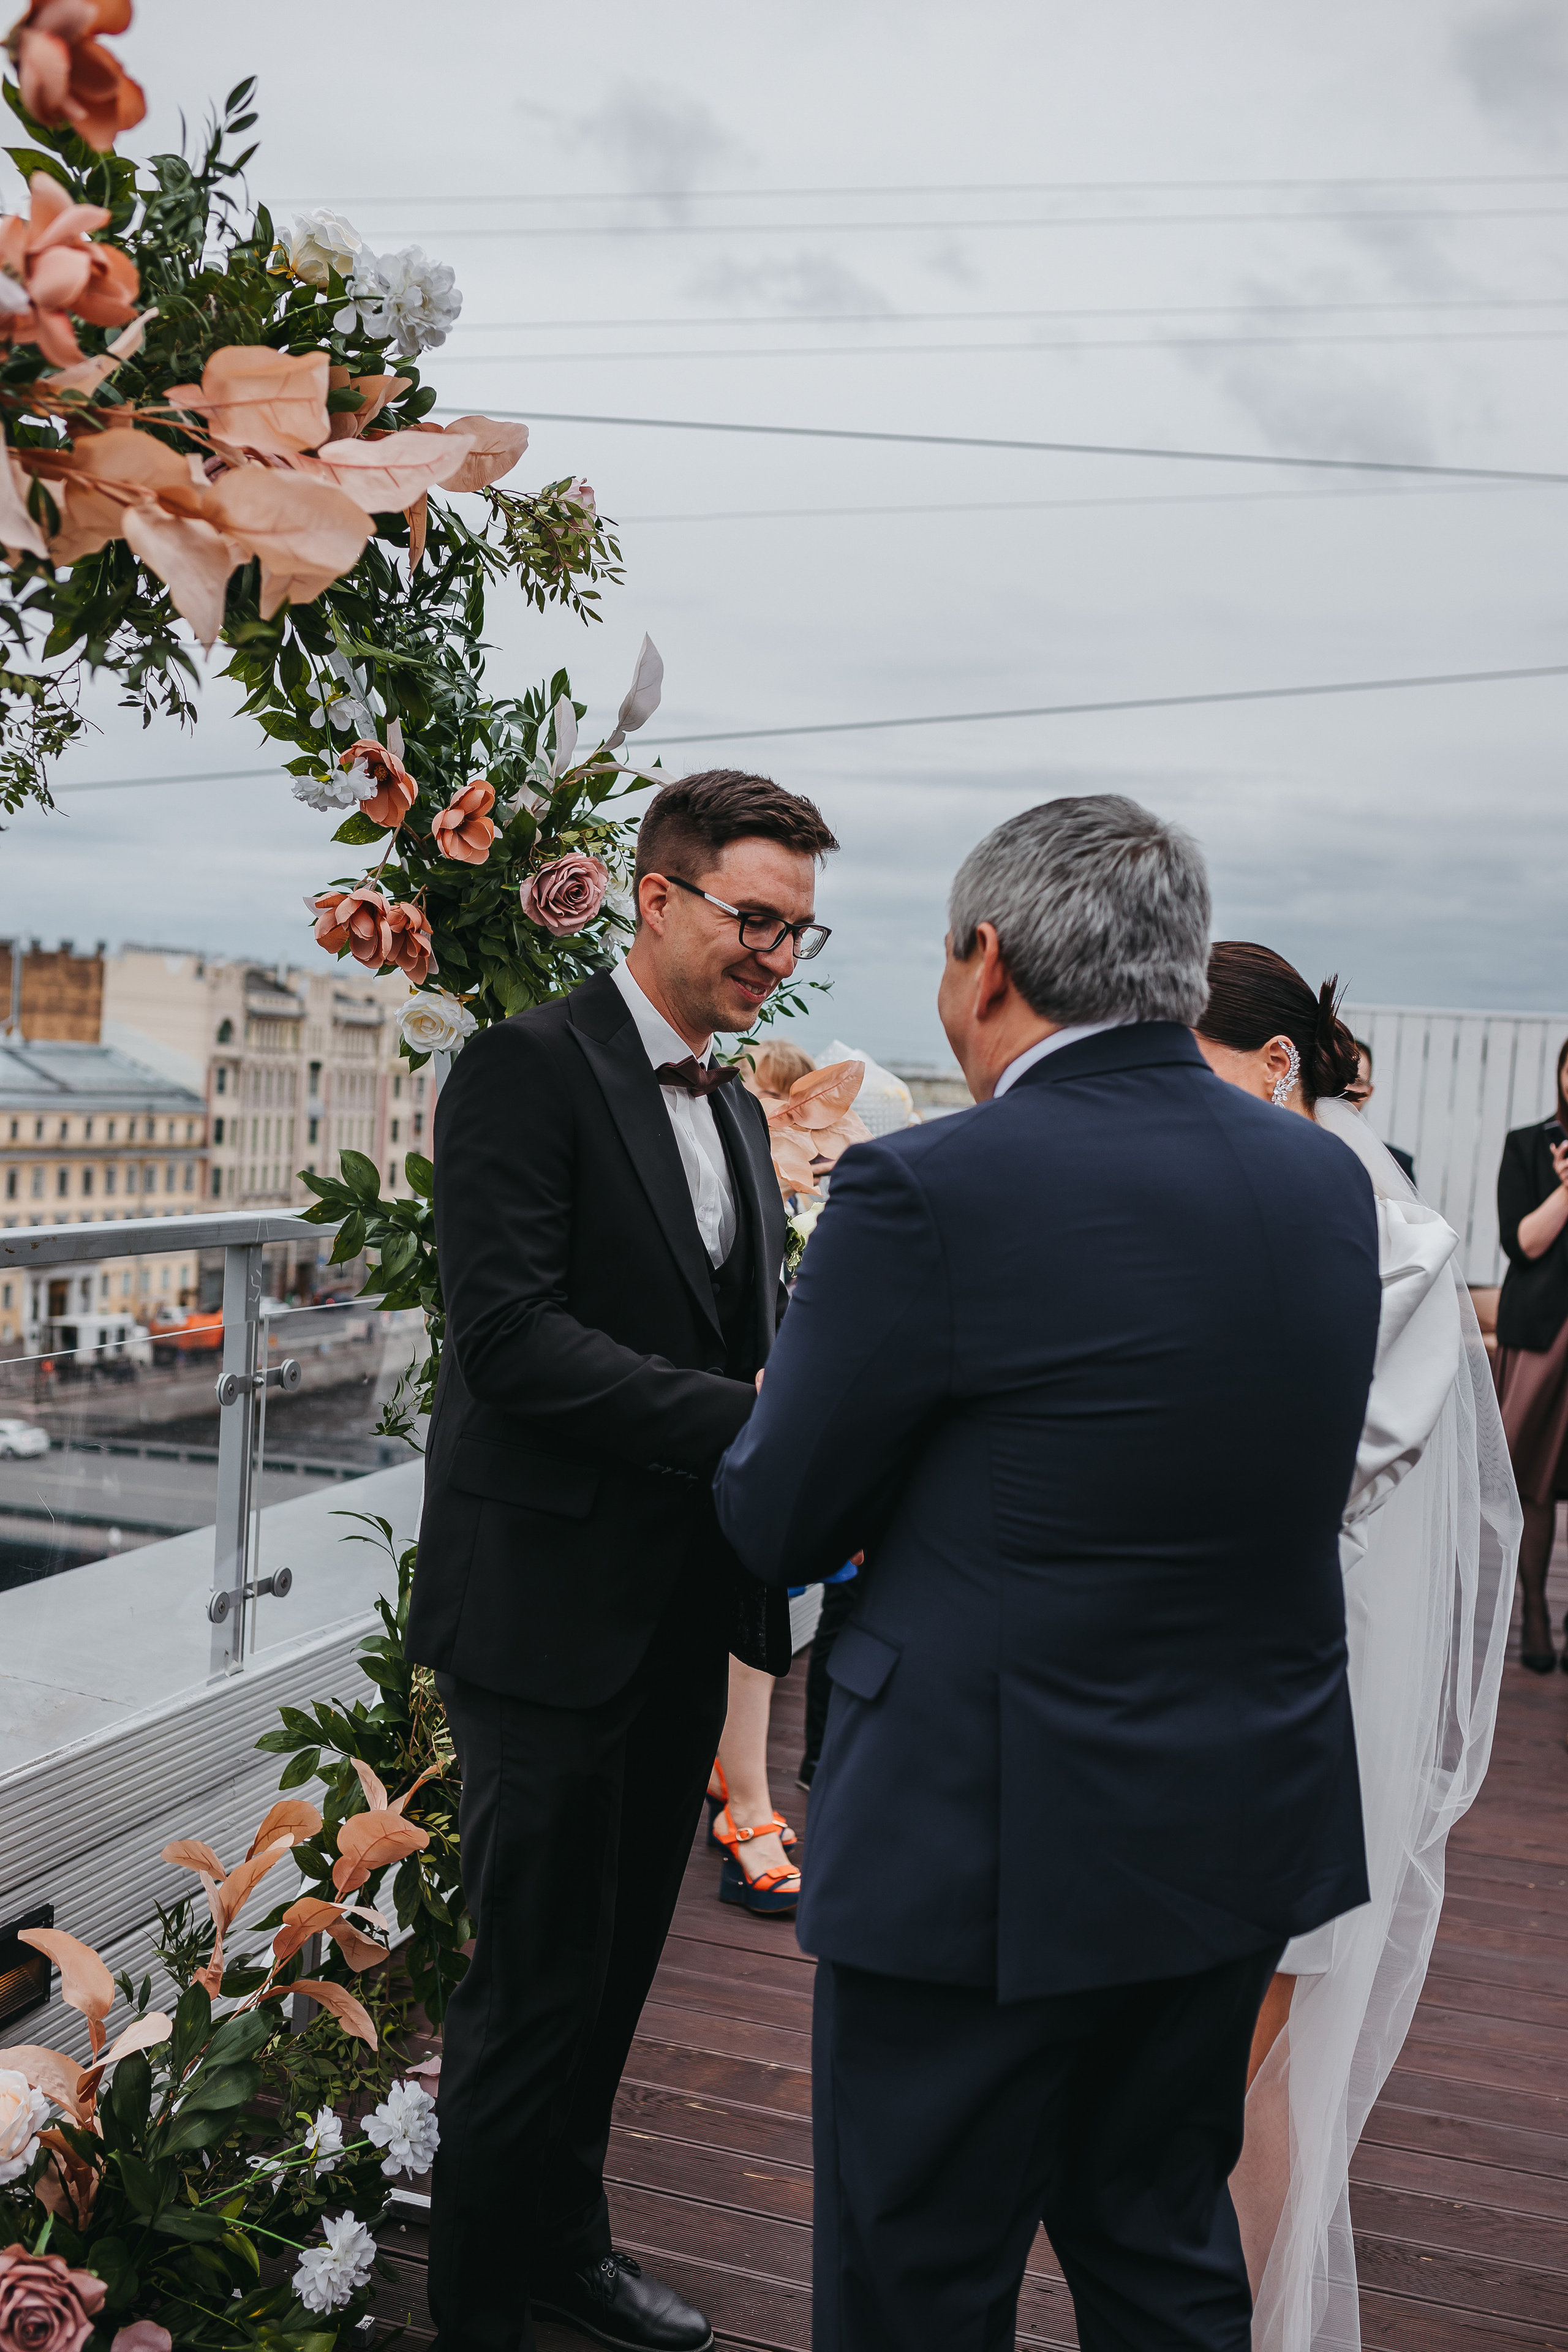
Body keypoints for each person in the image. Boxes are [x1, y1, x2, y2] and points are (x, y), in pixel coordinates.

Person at [714, 793, 1383, 2352]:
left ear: (987, 961)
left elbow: (776, 1521)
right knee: (1157, 2248)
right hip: (1226, 1823)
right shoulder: (1321, 1184)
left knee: (917, 2280)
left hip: (979, 1844)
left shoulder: (927, 1188)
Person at [408, 767, 840, 2352]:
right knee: (524, 1992)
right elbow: (513, 1345)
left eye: (799, 931)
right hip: (541, 1617)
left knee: (614, 1986)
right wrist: (753, 1416)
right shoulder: (524, 1070)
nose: (775, 957)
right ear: (654, 896)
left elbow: (747, 1329)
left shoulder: (733, 1099)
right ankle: (478, 2315)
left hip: (680, 1613)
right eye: (753, 919)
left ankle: (564, 2251)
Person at [1197, 943, 1517, 2352]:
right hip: (1232, 1689)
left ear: (1274, 1065)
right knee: (1214, 2050)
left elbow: (1311, 1485)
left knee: (1245, 2052)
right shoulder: (1281, 1194)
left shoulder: (1368, 1230)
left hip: (1295, 1695)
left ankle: (1247, 2318)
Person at [1495, 1037, 1568, 1670]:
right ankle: (1536, 1613)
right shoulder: (1527, 1144)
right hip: (1544, 1332)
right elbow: (1522, 1244)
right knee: (1534, 1481)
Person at [1344, 1036, 1415, 1183]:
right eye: (1337, 1079)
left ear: (1369, 1092)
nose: (1344, 1089)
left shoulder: (1399, 1163)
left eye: (1356, 1082)